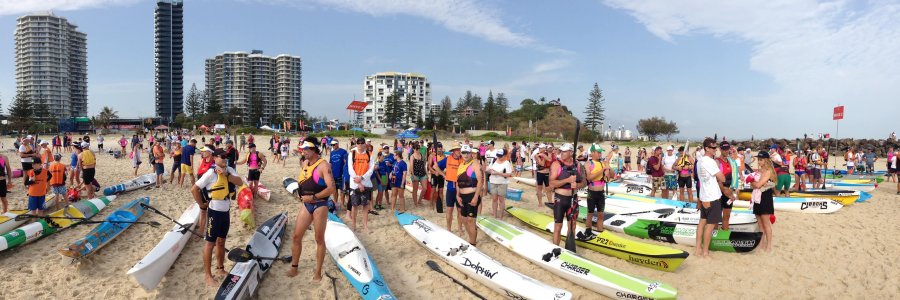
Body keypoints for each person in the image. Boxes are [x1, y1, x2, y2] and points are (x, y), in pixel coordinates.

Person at [286, 138, 335, 282]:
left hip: (320, 204)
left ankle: (318, 272)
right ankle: (294, 268)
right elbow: (304, 182)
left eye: (306, 149)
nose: (303, 151)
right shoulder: (305, 163)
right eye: (302, 149)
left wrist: (314, 196)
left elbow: (331, 188)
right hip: (306, 205)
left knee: (319, 239)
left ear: (314, 150)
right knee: (296, 236)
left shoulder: (324, 165)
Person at [192, 149, 243, 287]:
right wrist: (202, 204)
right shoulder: (210, 173)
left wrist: (226, 174)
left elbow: (239, 182)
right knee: (210, 244)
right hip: (214, 213)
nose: (225, 159)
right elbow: (194, 189)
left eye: (226, 157)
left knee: (221, 241)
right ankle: (208, 275)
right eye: (222, 157)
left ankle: (220, 269)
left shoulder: (230, 170)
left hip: (225, 212)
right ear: (214, 158)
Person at [695, 138, 733, 258]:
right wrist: (718, 171)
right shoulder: (710, 161)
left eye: (716, 147)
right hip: (712, 196)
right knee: (710, 225)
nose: (715, 149)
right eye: (713, 147)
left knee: (702, 223)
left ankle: (697, 249)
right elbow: (722, 178)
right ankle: (705, 252)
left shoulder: (699, 161)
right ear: (706, 148)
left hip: (704, 195)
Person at [548, 143, 585, 245]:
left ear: (571, 153)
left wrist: (577, 185)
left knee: (572, 226)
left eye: (564, 151)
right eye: (561, 151)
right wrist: (567, 180)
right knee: (558, 226)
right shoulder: (556, 164)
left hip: (573, 199)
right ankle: (555, 248)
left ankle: (569, 248)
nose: (561, 153)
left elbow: (584, 182)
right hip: (560, 199)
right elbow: (551, 183)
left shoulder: (577, 165)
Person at [455, 145, 483, 245]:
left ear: (471, 153)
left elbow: (480, 181)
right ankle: (471, 237)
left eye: (467, 152)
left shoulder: (474, 164)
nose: (465, 155)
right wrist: (457, 195)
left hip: (472, 195)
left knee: (471, 220)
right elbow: (457, 182)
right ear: (461, 153)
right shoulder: (461, 165)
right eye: (463, 153)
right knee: (464, 219)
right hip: (462, 197)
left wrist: (476, 196)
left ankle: (473, 243)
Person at [749, 151, 776, 252]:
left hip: (765, 198)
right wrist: (754, 183)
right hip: (757, 197)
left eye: (761, 160)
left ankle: (768, 246)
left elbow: (757, 185)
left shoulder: (769, 171)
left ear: (766, 160)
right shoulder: (759, 171)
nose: (759, 161)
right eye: (758, 159)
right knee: (760, 224)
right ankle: (761, 244)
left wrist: (752, 181)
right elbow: (754, 185)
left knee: (766, 224)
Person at [347, 137, 375, 232]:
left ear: (364, 144)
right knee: (354, 206)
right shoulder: (352, 153)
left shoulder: (369, 154)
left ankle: (365, 225)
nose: (359, 144)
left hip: (366, 182)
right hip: (354, 184)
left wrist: (362, 178)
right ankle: (354, 226)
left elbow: (371, 169)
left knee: (365, 205)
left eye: (361, 143)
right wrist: (358, 182)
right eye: (358, 143)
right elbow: (350, 169)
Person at [583, 144, 610, 236]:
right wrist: (602, 170)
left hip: (601, 193)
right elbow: (589, 177)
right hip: (592, 192)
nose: (600, 154)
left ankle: (600, 232)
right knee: (590, 213)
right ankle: (588, 230)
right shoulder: (588, 163)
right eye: (598, 152)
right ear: (593, 152)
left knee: (601, 214)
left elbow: (608, 178)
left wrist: (608, 169)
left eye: (600, 152)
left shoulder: (603, 163)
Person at [441, 144, 464, 234]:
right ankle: (449, 229)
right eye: (457, 150)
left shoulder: (463, 159)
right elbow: (436, 166)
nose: (459, 151)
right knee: (449, 210)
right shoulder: (447, 159)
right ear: (453, 151)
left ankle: (459, 228)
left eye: (459, 149)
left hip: (460, 189)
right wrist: (444, 175)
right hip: (450, 188)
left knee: (460, 210)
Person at [716, 141, 738, 230]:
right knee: (716, 218)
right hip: (719, 193)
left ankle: (725, 233)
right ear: (720, 149)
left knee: (726, 216)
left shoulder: (731, 161)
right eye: (724, 149)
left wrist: (734, 190)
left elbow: (735, 177)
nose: (726, 151)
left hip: (729, 191)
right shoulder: (717, 161)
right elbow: (717, 179)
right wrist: (724, 190)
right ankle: (714, 234)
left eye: (727, 149)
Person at [487, 149, 512, 220]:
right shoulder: (494, 160)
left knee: (501, 199)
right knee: (494, 199)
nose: (499, 157)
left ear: (504, 155)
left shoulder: (507, 163)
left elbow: (509, 174)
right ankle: (494, 215)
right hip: (493, 182)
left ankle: (500, 216)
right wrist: (489, 171)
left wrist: (498, 173)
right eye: (498, 156)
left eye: (500, 156)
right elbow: (489, 168)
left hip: (502, 183)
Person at [328, 140, 348, 212]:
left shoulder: (343, 151)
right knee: (334, 190)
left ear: (337, 144)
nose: (333, 146)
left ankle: (342, 204)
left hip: (341, 174)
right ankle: (336, 203)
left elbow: (346, 162)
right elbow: (330, 162)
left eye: (334, 144)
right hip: (334, 174)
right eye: (332, 145)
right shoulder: (332, 152)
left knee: (342, 190)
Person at [373, 145, 394, 210]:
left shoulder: (384, 163)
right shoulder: (377, 163)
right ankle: (376, 204)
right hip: (380, 178)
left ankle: (380, 204)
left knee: (382, 192)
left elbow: (386, 172)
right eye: (382, 156)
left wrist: (387, 180)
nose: (383, 157)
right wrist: (380, 180)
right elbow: (376, 173)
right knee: (380, 192)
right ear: (379, 156)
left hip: (384, 177)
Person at [428, 142, 446, 212]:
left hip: (441, 175)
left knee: (441, 191)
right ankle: (431, 204)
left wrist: (444, 172)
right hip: (434, 175)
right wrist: (434, 172)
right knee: (433, 190)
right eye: (438, 149)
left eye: (440, 148)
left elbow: (445, 166)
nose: (439, 150)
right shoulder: (432, 156)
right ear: (436, 149)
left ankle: (440, 204)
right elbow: (429, 166)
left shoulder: (444, 156)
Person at [409, 142, 427, 208]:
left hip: (422, 173)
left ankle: (419, 200)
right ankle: (415, 203)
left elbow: (424, 165)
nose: (418, 150)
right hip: (415, 174)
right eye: (416, 149)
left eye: (419, 148)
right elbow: (411, 166)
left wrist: (426, 174)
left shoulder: (422, 155)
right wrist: (413, 175)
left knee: (425, 188)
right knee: (415, 190)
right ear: (413, 149)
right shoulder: (412, 156)